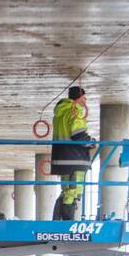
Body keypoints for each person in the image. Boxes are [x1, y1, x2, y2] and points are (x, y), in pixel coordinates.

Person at [50, 85, 95, 220]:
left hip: (62, 158)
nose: (85, 102)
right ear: (79, 98)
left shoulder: (60, 113)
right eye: (84, 98)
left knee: (67, 191)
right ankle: (67, 223)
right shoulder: (74, 111)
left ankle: (59, 221)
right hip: (74, 159)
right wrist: (91, 142)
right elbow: (78, 135)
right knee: (72, 192)